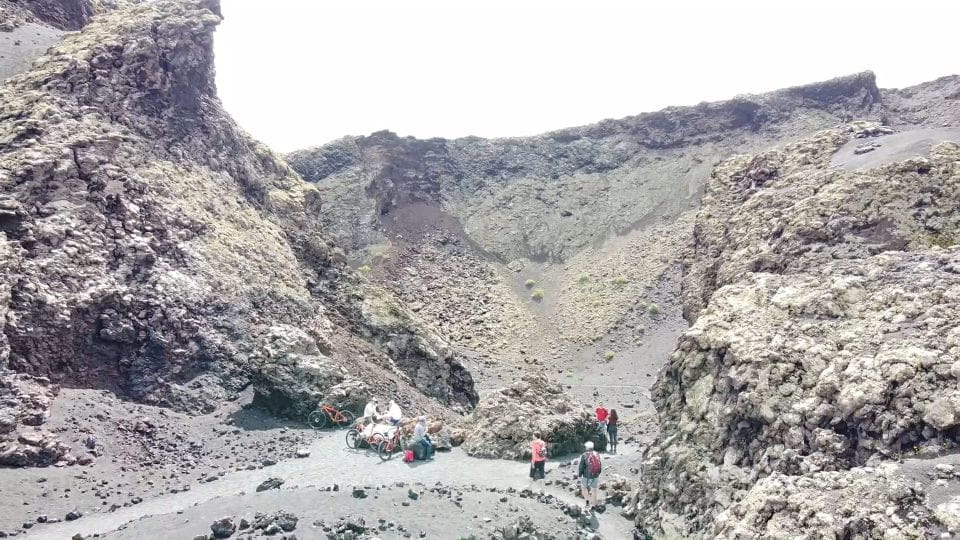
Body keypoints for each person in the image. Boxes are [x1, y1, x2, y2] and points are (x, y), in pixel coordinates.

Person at [578, 441, 602, 509]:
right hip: (595, 475)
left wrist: (580, 475)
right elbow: (600, 465)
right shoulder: (597, 453)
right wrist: (597, 473)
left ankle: (588, 502)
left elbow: (581, 466)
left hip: (587, 476)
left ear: (586, 447)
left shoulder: (585, 455)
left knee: (584, 488)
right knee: (594, 490)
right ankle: (594, 505)